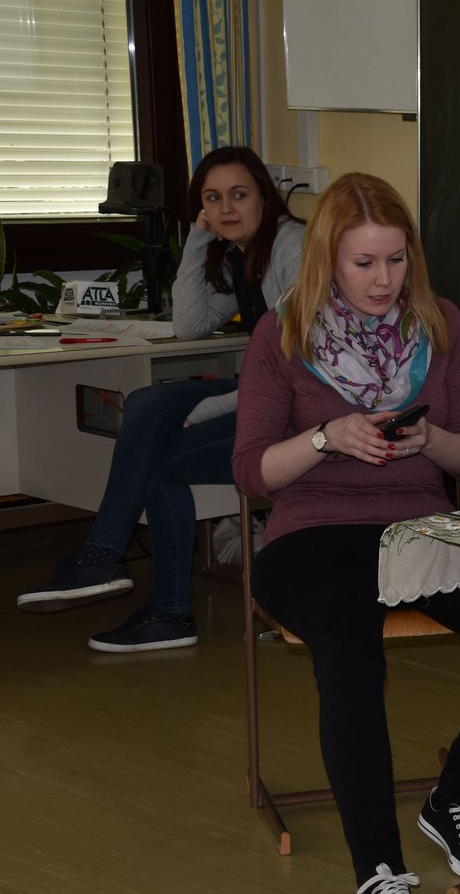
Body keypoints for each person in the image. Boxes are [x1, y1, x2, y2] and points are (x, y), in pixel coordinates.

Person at [232, 172, 460, 894]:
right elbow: (251, 473)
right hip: (311, 535)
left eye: (396, 260)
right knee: (350, 655)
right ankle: (382, 874)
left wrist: (429, 440)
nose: (384, 280)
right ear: (327, 260)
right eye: (364, 264)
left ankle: (453, 797)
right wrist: (325, 439)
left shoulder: (441, 324)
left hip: (420, 529)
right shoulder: (282, 334)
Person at [17, 146, 305, 652]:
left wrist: (218, 405)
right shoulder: (241, 254)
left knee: (160, 457)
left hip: (302, 411)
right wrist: (198, 239)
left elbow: (300, 364)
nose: (226, 208)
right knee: (148, 403)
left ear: (265, 195)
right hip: (265, 396)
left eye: (239, 195)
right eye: (212, 199)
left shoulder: (292, 246)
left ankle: (163, 609)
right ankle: (105, 559)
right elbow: (190, 325)